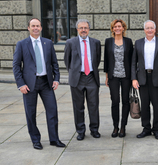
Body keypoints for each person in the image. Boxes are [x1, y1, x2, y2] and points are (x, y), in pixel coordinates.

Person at [13, 18, 65, 150]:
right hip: (30, 85)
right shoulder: (22, 44)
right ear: (28, 28)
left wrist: (56, 79)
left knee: (52, 111)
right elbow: (16, 66)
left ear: (41, 28)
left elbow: (54, 64)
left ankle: (54, 139)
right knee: (30, 113)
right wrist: (21, 84)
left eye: (38, 26)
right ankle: (36, 140)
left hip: (46, 83)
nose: (35, 28)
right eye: (33, 26)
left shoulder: (48, 43)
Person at [132, 20, 158, 140]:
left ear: (155, 29)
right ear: (144, 30)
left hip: (157, 78)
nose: (149, 30)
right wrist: (134, 78)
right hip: (142, 78)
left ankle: (156, 130)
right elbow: (133, 63)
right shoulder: (138, 43)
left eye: (151, 28)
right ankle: (146, 128)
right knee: (145, 105)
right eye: (147, 28)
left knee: (157, 105)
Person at [64, 19, 101, 141]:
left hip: (91, 77)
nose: (83, 30)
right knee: (78, 106)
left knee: (93, 105)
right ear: (77, 29)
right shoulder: (70, 42)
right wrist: (74, 72)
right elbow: (67, 60)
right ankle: (80, 131)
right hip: (77, 78)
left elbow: (97, 59)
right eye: (81, 28)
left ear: (89, 29)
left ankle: (94, 129)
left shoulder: (95, 43)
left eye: (86, 28)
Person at [104, 19, 133, 138]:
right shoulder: (108, 41)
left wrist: (133, 77)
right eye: (115, 26)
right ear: (112, 28)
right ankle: (115, 126)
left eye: (119, 26)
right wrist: (106, 76)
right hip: (113, 76)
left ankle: (123, 127)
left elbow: (132, 61)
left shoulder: (128, 41)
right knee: (115, 101)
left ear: (123, 28)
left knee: (126, 101)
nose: (117, 28)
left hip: (126, 76)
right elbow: (106, 59)